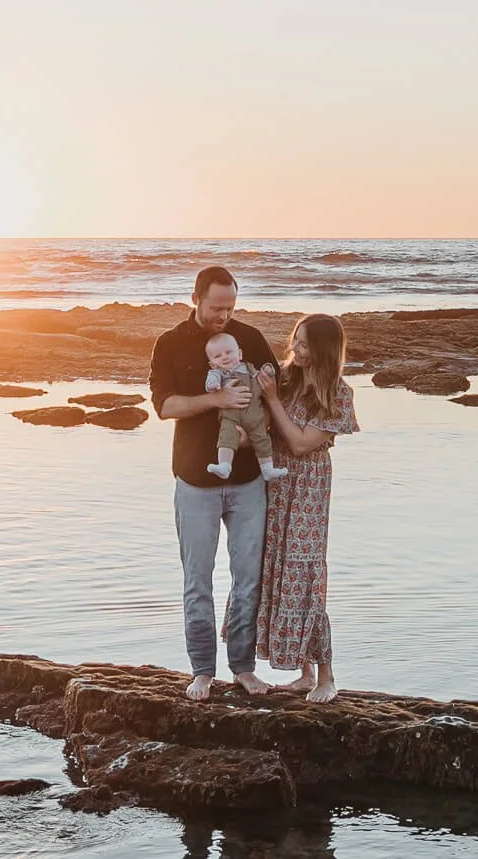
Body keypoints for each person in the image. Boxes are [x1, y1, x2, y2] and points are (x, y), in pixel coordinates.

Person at [150, 265, 279, 701]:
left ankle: (243, 667)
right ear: (196, 299)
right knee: (197, 581)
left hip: (247, 482)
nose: (224, 315)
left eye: (230, 307)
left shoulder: (251, 339)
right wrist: (216, 399)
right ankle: (202, 670)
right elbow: (165, 406)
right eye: (216, 307)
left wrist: (253, 430)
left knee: (248, 579)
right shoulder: (169, 343)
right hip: (193, 480)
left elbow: (274, 390)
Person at [256, 313, 360, 702]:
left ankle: (326, 676)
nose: (295, 350)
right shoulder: (285, 380)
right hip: (276, 484)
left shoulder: (338, 395)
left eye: (304, 345)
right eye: (294, 341)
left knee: (305, 570)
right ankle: (303, 671)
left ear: (324, 350)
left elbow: (301, 443)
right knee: (277, 567)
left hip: (308, 489)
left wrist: (270, 399)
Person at [202, 331, 285, 482]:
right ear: (212, 363)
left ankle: (267, 469)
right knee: (227, 436)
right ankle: (224, 465)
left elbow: (260, 377)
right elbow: (210, 383)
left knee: (262, 439)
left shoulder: (249, 368)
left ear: (239, 354)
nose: (224, 357)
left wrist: (267, 371)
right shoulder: (217, 373)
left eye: (228, 352)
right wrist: (213, 385)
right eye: (218, 356)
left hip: (254, 414)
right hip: (231, 417)